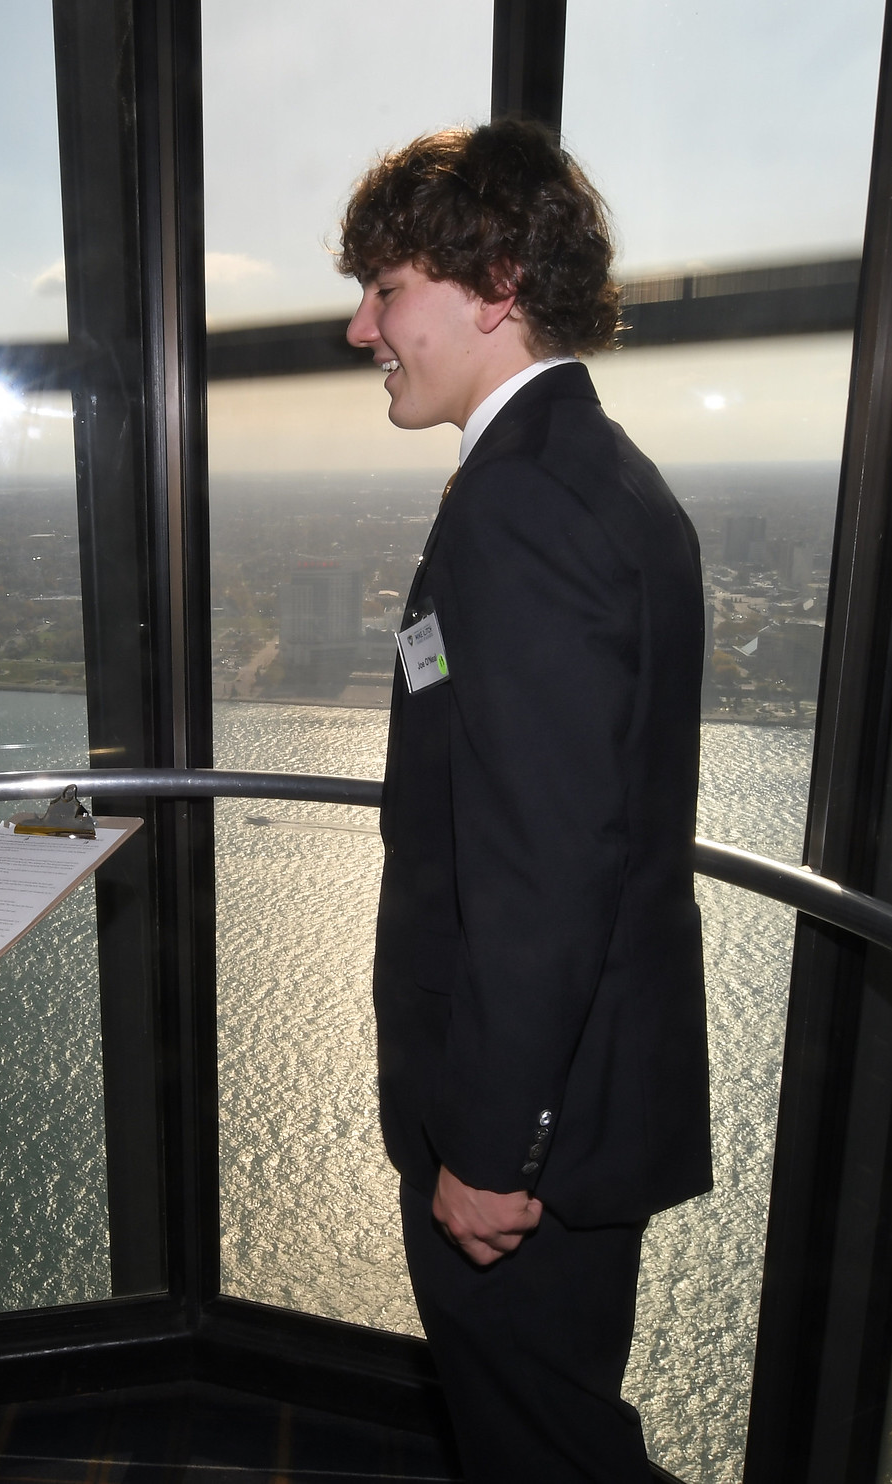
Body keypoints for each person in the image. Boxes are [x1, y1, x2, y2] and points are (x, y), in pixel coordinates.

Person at [341, 121, 712, 1478]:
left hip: (527, 1140)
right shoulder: (602, 478)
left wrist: (493, 1148)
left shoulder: (516, 507)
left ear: (493, 284)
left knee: (539, 1452)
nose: (357, 328)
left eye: (383, 291)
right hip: (587, 1097)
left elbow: (541, 867)